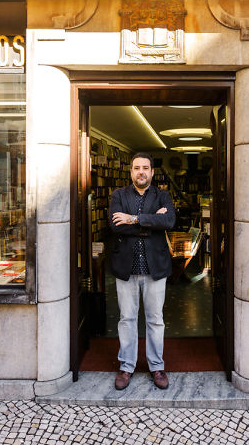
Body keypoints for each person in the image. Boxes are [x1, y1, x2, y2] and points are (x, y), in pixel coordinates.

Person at [109, 152, 176, 391]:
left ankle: (156, 366)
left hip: (154, 268)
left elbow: (168, 222)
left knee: (155, 320)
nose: (141, 172)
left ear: (152, 172)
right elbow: (115, 226)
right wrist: (150, 222)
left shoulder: (162, 195)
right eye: (137, 168)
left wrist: (133, 219)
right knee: (126, 319)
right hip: (126, 268)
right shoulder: (118, 195)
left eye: (145, 168)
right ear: (131, 172)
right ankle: (126, 367)